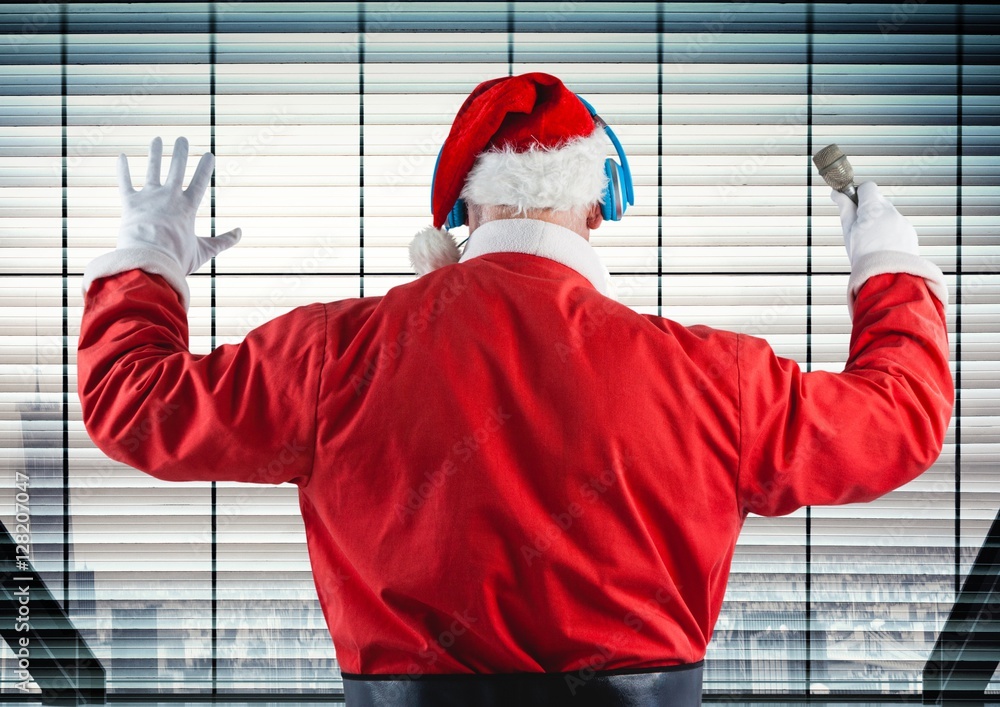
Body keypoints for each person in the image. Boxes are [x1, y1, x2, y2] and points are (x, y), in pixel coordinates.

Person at [78, 72, 953, 706]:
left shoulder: (335, 355)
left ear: (461, 207)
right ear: (599, 203)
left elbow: (131, 400)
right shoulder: (713, 381)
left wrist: (152, 258)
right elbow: (900, 415)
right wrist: (889, 266)